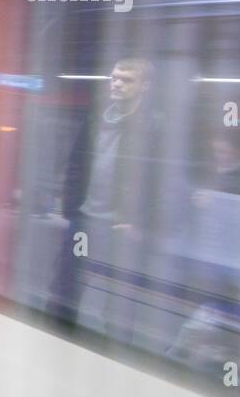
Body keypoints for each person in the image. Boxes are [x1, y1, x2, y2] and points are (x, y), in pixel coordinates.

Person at [48, 57, 165, 327]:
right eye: (114, 77)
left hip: (119, 226)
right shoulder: (96, 116)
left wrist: (139, 222)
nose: (117, 84)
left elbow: (157, 182)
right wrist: (71, 207)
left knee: (118, 300)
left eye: (127, 80)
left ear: (145, 86)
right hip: (85, 219)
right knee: (65, 287)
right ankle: (57, 338)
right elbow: (76, 163)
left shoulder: (153, 126)